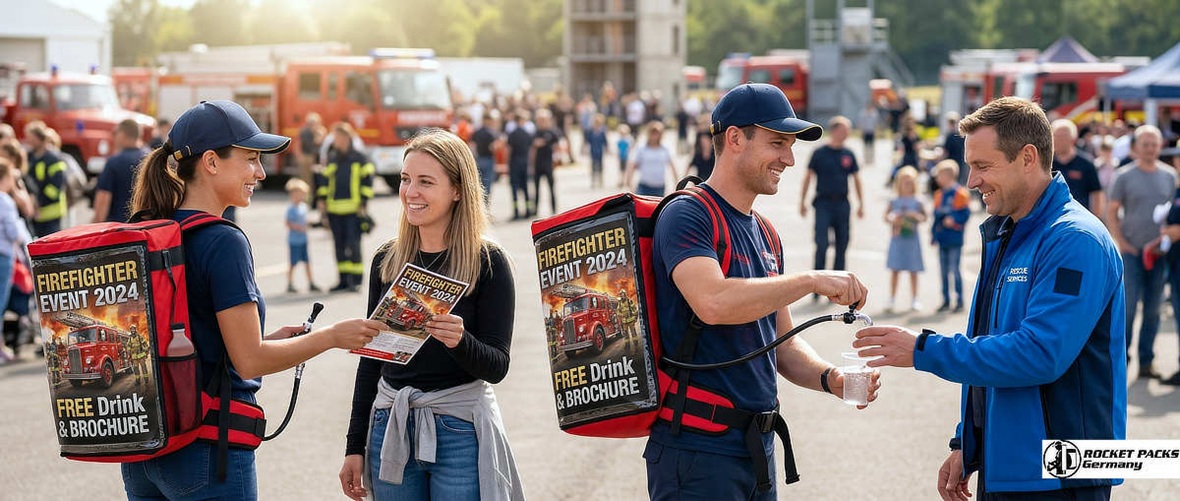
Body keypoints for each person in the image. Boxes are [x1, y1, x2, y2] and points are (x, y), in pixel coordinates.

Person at [854, 97, 1126, 500]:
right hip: (1009, 468)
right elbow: (989, 344)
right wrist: (968, 441)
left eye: (982, 166)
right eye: (969, 166)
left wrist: (923, 350)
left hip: (1062, 476)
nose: (970, 181)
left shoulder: (1074, 240)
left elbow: (1039, 353)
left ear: (1028, 158)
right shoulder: (1006, 233)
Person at [122, 99, 384, 500]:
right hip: (208, 448)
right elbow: (250, 360)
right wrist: (331, 336)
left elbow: (194, 337)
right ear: (211, 162)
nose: (260, 173)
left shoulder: (151, 229)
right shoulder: (224, 240)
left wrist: (274, 338)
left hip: (145, 450)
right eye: (250, 159)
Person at [646, 83, 876, 500]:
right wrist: (811, 280)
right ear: (735, 138)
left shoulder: (766, 232)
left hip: (755, 448)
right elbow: (713, 301)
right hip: (698, 451)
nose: (788, 159)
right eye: (777, 143)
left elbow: (780, 344)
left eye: (789, 146)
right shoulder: (688, 213)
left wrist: (833, 379)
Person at [340, 129, 524, 501]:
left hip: (460, 427)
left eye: (426, 181)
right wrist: (353, 445)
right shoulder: (386, 261)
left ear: (458, 190)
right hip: (390, 423)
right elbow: (370, 364)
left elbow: (497, 366)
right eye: (406, 179)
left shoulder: (487, 262)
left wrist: (460, 341)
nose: (410, 192)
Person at [1106, 125, 1175, 379]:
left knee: (1154, 310)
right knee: (1128, 309)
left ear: (1159, 147)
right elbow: (1112, 211)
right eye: (1145, 144)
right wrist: (1120, 242)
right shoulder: (1124, 175)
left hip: (1158, 254)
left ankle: (1147, 362)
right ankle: (1120, 362)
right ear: (1136, 146)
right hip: (1131, 252)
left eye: (1154, 144)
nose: (1150, 148)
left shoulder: (1169, 176)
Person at [799, 115, 866, 279]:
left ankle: (838, 283)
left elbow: (856, 179)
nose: (847, 134)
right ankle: (817, 283)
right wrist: (802, 201)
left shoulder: (848, 154)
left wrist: (861, 203)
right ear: (834, 131)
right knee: (821, 244)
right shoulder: (819, 153)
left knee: (842, 244)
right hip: (823, 203)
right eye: (844, 130)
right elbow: (808, 177)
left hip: (842, 203)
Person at [316, 122, 375, 292]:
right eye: (335, 138)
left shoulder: (359, 158)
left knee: (353, 245)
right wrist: (322, 201)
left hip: (353, 211)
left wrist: (363, 203)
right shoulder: (332, 158)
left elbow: (367, 181)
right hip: (334, 211)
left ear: (348, 138)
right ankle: (343, 280)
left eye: (339, 138)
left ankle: (355, 281)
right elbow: (324, 182)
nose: (336, 142)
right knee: (339, 246)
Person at [930, 159, 971, 313]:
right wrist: (933, 235)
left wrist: (954, 220)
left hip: (955, 238)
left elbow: (965, 214)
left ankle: (959, 300)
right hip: (942, 238)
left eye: (939, 175)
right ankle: (946, 300)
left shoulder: (961, 194)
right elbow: (936, 218)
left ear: (947, 176)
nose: (937, 179)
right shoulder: (938, 195)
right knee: (943, 271)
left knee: (955, 269)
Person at [884, 166, 926, 312]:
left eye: (910, 182)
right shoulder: (894, 200)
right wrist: (893, 218)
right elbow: (886, 216)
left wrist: (915, 216)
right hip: (897, 239)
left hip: (912, 240)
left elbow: (924, 217)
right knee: (895, 269)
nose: (907, 185)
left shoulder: (918, 201)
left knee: (913, 270)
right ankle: (891, 298)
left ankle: (915, 298)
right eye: (904, 182)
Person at [92, 119, 147, 223]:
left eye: (115, 133)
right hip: (147, 229)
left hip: (119, 230)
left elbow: (103, 201)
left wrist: (96, 226)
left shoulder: (114, 162)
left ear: (122, 134)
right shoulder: (151, 159)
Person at [22, 121, 67, 236]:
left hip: (51, 215)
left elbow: (55, 187)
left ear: (38, 138)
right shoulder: (29, 157)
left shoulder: (54, 158)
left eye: (30, 138)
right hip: (35, 216)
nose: (27, 141)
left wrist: (38, 202)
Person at [1052, 119, 1104, 216]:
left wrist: (1096, 217)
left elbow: (1097, 193)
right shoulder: (1047, 163)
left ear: (1073, 139)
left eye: (1062, 137)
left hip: (1079, 218)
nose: (1057, 140)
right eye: (1055, 136)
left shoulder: (1086, 163)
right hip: (1052, 218)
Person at [623, 121, 678, 196]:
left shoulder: (665, 148)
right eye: (652, 132)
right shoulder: (641, 148)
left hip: (660, 187)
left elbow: (672, 165)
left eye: (657, 133)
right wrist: (629, 182)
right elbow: (632, 165)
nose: (654, 135)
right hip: (644, 186)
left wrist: (676, 183)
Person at [285, 178, 321, 294]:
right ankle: (290, 283)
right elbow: (288, 223)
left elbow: (305, 220)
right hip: (294, 240)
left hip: (303, 239)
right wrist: (299, 228)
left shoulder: (303, 207)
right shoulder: (291, 209)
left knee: (307, 262)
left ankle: (311, 282)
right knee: (293, 263)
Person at [532, 109, 561, 216]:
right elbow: (533, 146)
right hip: (537, 165)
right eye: (539, 120)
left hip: (549, 164)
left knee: (551, 188)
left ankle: (554, 209)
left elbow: (558, 146)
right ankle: (535, 210)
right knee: (536, 189)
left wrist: (557, 158)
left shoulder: (552, 132)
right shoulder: (535, 132)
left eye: (543, 119)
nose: (541, 122)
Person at [506, 111, 534, 220]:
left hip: (514, 163)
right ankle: (527, 211)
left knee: (514, 188)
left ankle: (516, 212)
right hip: (524, 162)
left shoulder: (512, 135)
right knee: (525, 187)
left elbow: (509, 150)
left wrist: (508, 163)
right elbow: (531, 150)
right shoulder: (527, 134)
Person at [470, 114, 500, 208]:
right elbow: (493, 148)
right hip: (488, 159)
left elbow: (472, 146)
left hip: (478, 159)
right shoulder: (492, 133)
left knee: (478, 184)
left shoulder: (477, 132)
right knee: (487, 185)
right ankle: (485, 208)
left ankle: (478, 207)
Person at [296, 112, 324, 184]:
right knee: (305, 177)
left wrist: (317, 132)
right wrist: (299, 155)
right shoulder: (304, 131)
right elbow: (298, 143)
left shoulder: (320, 131)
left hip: (316, 157)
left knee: (315, 178)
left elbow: (318, 141)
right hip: (306, 156)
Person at [583, 113, 608, 189]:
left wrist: (607, 148)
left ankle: (600, 180)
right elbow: (587, 141)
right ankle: (593, 180)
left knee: (600, 165)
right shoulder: (591, 131)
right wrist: (585, 148)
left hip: (600, 151)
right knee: (593, 165)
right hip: (593, 150)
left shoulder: (602, 131)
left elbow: (605, 141)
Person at [857, 101, 879, 165]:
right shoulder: (862, 113)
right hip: (865, 131)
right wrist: (861, 131)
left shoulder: (874, 113)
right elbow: (861, 123)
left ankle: (871, 159)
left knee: (872, 146)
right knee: (865, 146)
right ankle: (866, 159)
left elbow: (876, 123)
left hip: (872, 131)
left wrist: (876, 131)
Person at [615, 123, 633, 188]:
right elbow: (618, 148)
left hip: (627, 156)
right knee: (621, 169)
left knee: (627, 169)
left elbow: (631, 148)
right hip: (621, 156)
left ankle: (627, 181)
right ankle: (621, 180)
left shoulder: (628, 139)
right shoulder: (619, 140)